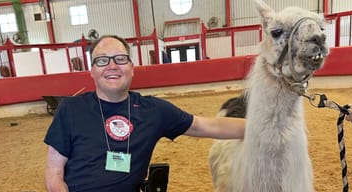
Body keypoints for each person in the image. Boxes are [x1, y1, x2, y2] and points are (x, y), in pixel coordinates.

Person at [44, 35, 246, 192]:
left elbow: (204, 125)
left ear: (132, 68)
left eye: (120, 59)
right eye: (102, 60)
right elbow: (54, 173)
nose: (112, 66)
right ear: (92, 70)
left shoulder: (153, 111)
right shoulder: (70, 109)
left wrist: (261, 127)